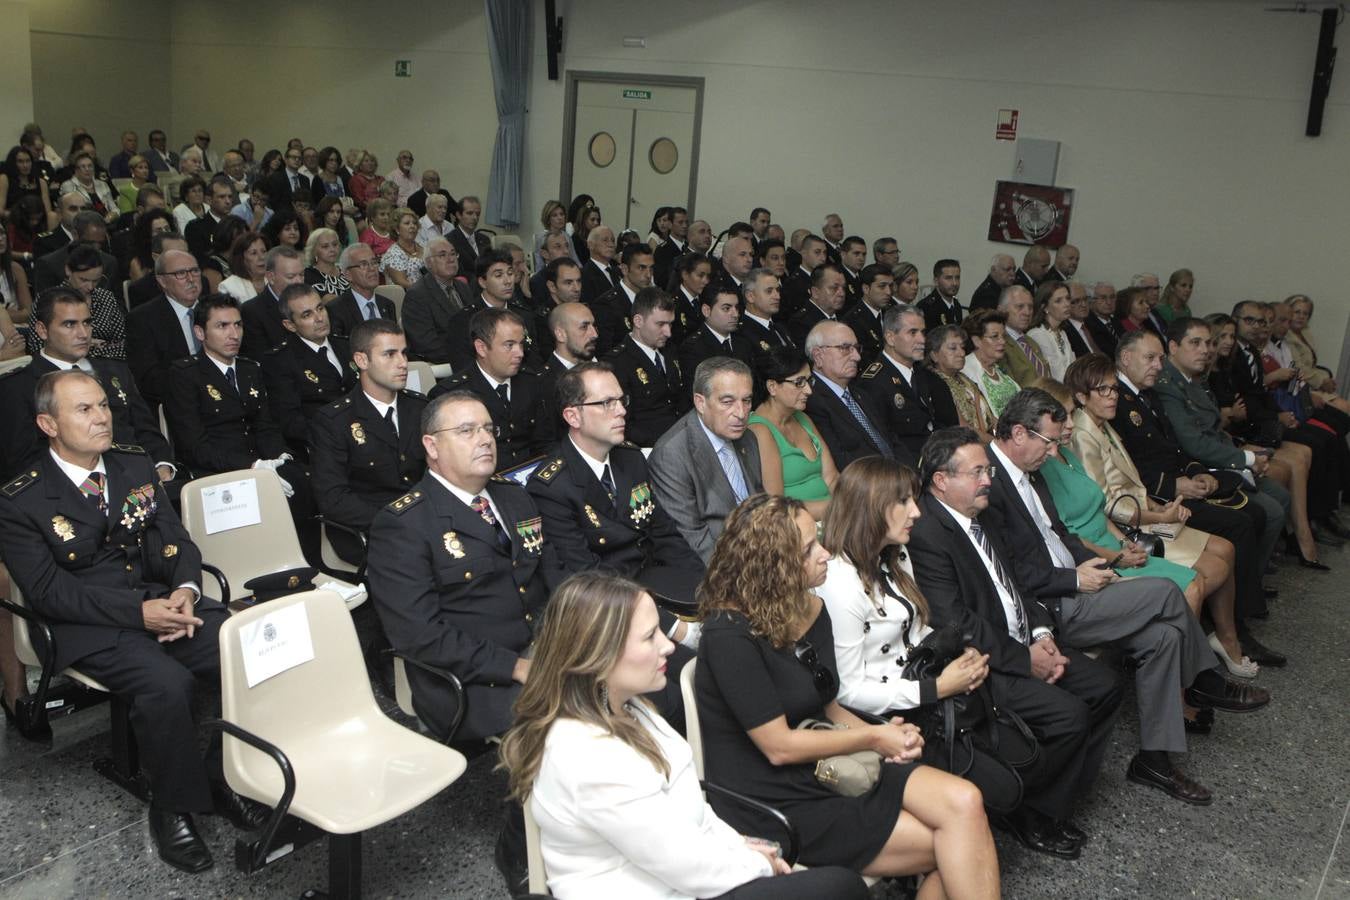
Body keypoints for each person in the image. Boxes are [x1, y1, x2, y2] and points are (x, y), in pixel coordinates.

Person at [0, 370, 267, 873]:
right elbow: (48, 592)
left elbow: (175, 540)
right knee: (167, 684)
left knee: (249, 648)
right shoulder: (21, 499)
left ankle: (222, 773)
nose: (102, 416)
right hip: (84, 623)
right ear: (47, 424)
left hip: (158, 601)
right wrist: (138, 615)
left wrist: (186, 591)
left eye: (103, 405)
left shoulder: (132, 463)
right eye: (84, 410)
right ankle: (173, 806)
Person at [498, 571, 870, 900]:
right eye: (649, 638)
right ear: (599, 656)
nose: (668, 646)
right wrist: (760, 866)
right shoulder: (585, 755)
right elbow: (683, 864)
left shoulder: (626, 707)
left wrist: (742, 846)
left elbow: (690, 812)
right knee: (841, 888)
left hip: (681, 878)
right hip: (664, 887)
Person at [696, 494, 1000, 892]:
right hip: (774, 795)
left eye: (817, 539)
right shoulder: (728, 636)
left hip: (833, 761)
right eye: (808, 550)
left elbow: (829, 706)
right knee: (957, 845)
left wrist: (888, 742)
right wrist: (875, 736)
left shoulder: (810, 608)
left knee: (967, 803)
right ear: (775, 567)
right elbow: (779, 747)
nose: (825, 554)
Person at [983, 389, 1270, 805]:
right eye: (1047, 441)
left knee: (1165, 639)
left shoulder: (1028, 472)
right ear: (1018, 433)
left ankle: (1154, 759)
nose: (1052, 451)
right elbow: (1004, 570)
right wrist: (1072, 579)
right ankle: (1207, 680)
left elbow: (1059, 535)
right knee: (1169, 593)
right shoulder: (989, 483)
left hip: (1076, 580)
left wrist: (1097, 565)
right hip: (1049, 605)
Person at [909, 426, 1120, 857]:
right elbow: (955, 622)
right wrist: (1024, 660)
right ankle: (1027, 812)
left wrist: (1042, 634)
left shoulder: (981, 515)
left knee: (1105, 686)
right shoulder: (928, 534)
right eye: (977, 472)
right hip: (984, 662)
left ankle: (1058, 787)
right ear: (941, 480)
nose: (988, 479)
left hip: (1026, 639)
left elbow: (1017, 584)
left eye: (988, 469)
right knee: (1069, 715)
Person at [818, 457, 1031, 817]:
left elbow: (916, 630)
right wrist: (937, 688)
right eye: (903, 501)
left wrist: (963, 656)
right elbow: (848, 691)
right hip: (891, 714)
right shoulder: (840, 585)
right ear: (871, 507)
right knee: (1006, 787)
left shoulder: (894, 555)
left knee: (1022, 756)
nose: (916, 512)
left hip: (924, 690)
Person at [1040, 369, 1256, 678]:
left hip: (1125, 529)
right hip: (1117, 537)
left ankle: (1215, 648)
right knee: (1201, 577)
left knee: (1226, 550)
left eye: (1115, 388)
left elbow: (1105, 501)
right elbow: (1085, 519)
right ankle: (1190, 680)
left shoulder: (1075, 446)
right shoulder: (1075, 441)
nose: (1113, 395)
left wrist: (1149, 514)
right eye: (1103, 390)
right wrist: (1152, 520)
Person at [366, 389, 552, 741]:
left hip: (544, 647)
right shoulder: (403, 524)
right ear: (432, 447)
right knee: (578, 724)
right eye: (467, 431)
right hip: (475, 681)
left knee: (634, 681)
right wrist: (515, 666)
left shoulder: (514, 497)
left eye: (488, 429)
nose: (484, 439)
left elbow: (551, 575)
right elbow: (421, 636)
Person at [1110, 330, 1286, 669]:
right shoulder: (1117, 401)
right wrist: (1175, 486)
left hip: (1178, 485)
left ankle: (1231, 621)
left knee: (1250, 512)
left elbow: (1174, 448)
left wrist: (1193, 473)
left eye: (1161, 358)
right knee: (1239, 522)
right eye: (1150, 358)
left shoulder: (1148, 395)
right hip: (1156, 500)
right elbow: (1126, 469)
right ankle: (1234, 628)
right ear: (1126, 358)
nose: (1158, 365)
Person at [0, 286, 173, 482]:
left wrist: (161, 466)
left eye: (87, 323)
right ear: (42, 330)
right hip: (70, 493)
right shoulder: (18, 386)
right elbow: (22, 461)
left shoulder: (115, 371)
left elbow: (146, 430)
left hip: (140, 479)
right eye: (69, 325)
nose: (83, 333)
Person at [309, 320, 427, 565]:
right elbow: (334, 499)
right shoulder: (334, 421)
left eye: (404, 353)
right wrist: (397, 521)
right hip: (373, 529)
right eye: (389, 354)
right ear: (362, 361)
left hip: (426, 518)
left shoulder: (420, 407)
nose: (403, 363)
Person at [649, 357, 762, 562]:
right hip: (720, 569)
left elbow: (759, 507)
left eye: (746, 400)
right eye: (727, 402)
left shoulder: (748, 438)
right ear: (700, 402)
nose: (741, 413)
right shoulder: (672, 454)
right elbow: (695, 541)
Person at [431, 307, 550, 469]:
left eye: (521, 344)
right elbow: (452, 462)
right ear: (481, 348)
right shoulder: (451, 395)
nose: (520, 353)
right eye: (509, 345)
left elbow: (545, 442)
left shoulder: (531, 382)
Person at [261, 284, 357, 458]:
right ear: (290, 325)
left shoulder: (346, 345)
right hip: (322, 447)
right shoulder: (281, 361)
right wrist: (338, 437)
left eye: (320, 308)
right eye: (307, 315)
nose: (319, 318)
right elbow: (290, 421)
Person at [855, 303, 956, 467]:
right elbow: (884, 443)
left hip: (936, 459)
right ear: (890, 337)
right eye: (912, 332)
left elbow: (941, 424)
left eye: (923, 332)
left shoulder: (925, 376)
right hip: (905, 469)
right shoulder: (873, 383)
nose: (922, 340)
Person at [749, 346, 837, 519]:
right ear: (772, 387)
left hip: (834, 518)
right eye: (799, 383)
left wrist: (850, 503)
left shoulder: (802, 418)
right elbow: (777, 506)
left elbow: (831, 477)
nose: (808, 391)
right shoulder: (760, 430)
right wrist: (837, 509)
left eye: (809, 381)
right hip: (796, 527)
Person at [803, 321, 896, 469]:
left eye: (857, 348)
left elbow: (891, 440)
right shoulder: (811, 400)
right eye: (845, 348)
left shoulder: (861, 394)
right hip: (867, 484)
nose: (857, 357)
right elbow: (840, 462)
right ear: (818, 356)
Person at [606, 287, 688, 447]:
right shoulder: (617, 363)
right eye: (660, 324)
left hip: (681, 440)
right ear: (638, 321)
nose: (668, 332)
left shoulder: (670, 351)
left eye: (670, 324)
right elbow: (622, 421)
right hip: (646, 449)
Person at [56, 243, 127, 360]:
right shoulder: (49, 301)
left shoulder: (106, 297)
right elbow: (39, 347)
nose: (90, 286)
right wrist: (89, 345)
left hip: (108, 364)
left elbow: (123, 342)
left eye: (96, 281)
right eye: (83, 280)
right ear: (68, 270)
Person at [928, 324, 995, 443]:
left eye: (962, 347)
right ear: (934, 355)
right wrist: (996, 444)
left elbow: (990, 418)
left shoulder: (964, 379)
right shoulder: (934, 384)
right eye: (953, 348)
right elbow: (963, 429)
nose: (962, 353)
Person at [239, 245, 307, 359]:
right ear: (271, 277)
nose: (299, 281)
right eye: (291, 277)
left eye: (301, 275)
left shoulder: (311, 301)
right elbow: (261, 359)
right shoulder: (252, 311)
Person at [327, 243, 397, 339]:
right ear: (348, 275)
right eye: (363, 265)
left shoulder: (387, 305)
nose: (372, 269)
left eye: (374, 262)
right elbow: (340, 349)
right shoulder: (336, 310)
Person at [960, 309, 1019, 417]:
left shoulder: (997, 368)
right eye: (995, 336)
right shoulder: (965, 370)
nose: (1003, 341)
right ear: (976, 341)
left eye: (1003, 336)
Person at [1283, 294, 1336, 391]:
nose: (1301, 317)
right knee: (1343, 405)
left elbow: (1311, 365)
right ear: (1287, 313)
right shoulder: (1285, 336)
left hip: (1310, 383)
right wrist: (1322, 381)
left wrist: (1326, 380)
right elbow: (1297, 367)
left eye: (1305, 313)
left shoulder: (1306, 333)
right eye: (1297, 312)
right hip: (1296, 385)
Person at [998, 285, 1048, 385]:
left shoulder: (1032, 342)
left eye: (1030, 307)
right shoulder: (999, 344)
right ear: (1001, 310)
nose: (1027, 312)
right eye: (1020, 307)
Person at [1026, 281, 1075, 381]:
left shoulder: (1062, 333)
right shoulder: (1037, 334)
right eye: (1058, 301)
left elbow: (1073, 368)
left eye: (1068, 298)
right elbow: (1056, 376)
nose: (1066, 304)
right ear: (1045, 307)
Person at [59, 151, 119, 226]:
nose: (87, 169)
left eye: (90, 166)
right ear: (76, 171)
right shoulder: (68, 185)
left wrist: (109, 217)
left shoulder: (102, 184)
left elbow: (114, 209)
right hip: (83, 225)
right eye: (83, 167)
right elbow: (73, 211)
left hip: (107, 223)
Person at [216, 231, 267, 302]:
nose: (261, 257)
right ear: (241, 259)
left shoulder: (275, 280)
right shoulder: (229, 287)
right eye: (254, 253)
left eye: (264, 251)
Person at [381, 207, 424, 288]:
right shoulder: (393, 254)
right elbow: (402, 283)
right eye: (407, 223)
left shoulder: (421, 245)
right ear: (397, 229)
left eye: (414, 223)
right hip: (408, 296)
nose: (412, 226)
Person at [916, 259, 962, 331]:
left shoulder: (956, 305)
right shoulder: (926, 307)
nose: (954, 283)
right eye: (948, 278)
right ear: (936, 281)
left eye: (957, 277)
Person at [302, 227, 348, 300]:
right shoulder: (308, 274)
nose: (332, 249)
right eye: (325, 246)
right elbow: (327, 301)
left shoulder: (346, 270)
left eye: (335, 244)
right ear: (314, 251)